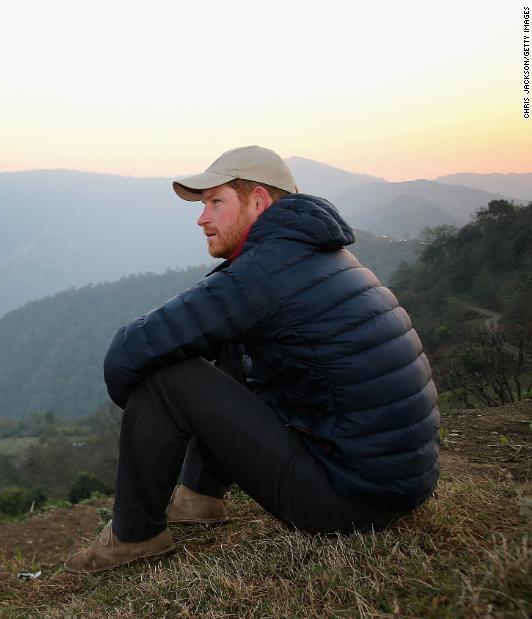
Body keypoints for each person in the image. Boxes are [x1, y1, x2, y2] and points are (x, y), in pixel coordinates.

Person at [64, 145, 439, 574]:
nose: (202, 218)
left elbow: (127, 353)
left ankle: (134, 537)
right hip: (395, 485)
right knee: (224, 344)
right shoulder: (321, 255)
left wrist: (148, 405)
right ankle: (199, 497)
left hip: (350, 505)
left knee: (167, 376)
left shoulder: (262, 273)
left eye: (215, 202)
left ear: (258, 201)